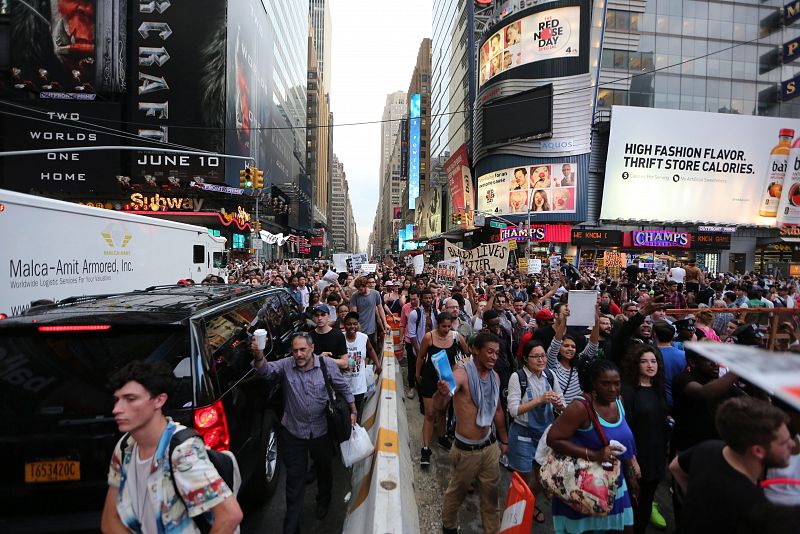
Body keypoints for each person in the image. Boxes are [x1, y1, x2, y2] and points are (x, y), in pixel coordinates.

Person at [101, 361, 243, 533]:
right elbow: (110, 521)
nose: (117, 409)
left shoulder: (182, 451)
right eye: (117, 400)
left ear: (159, 400)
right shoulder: (125, 448)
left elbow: (229, 515)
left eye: (130, 399)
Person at [251, 333, 356, 532]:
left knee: (324, 472)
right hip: (294, 433)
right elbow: (265, 370)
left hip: (322, 432)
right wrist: (259, 356)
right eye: (295, 350)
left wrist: (353, 410)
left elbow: (343, 387)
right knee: (294, 481)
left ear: (312, 348)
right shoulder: (286, 365)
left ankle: (323, 500)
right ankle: (291, 526)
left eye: (302, 350)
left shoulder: (326, 365)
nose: (298, 354)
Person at [669, 397, 793, 534]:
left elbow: (675, 467)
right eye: (784, 443)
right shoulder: (755, 505)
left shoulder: (708, 448)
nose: (792, 445)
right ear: (758, 451)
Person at [547, 359, 639, 534]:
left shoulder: (619, 401)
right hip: (585, 488)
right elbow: (553, 439)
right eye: (605, 383)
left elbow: (624, 438)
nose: (612, 389)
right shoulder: (580, 407)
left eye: (617, 383)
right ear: (593, 384)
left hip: (614, 483)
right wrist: (594, 454)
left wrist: (632, 467)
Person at [435, 332, 510, 534]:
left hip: (490, 448)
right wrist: (442, 392)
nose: (494, 357)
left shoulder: (495, 377)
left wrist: (504, 440)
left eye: (497, 353)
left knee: (491, 497)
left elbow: (498, 410)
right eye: (489, 352)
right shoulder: (461, 375)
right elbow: (440, 405)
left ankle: (492, 530)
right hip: (466, 451)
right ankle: (449, 527)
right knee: (456, 494)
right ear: (475, 350)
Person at [507, 340, 565, 524]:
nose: (541, 360)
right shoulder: (518, 377)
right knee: (522, 475)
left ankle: (528, 503)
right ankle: (514, 512)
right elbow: (513, 410)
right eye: (536, 356)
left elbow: (562, 402)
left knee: (542, 474)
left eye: (543, 356)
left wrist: (559, 404)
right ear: (525, 358)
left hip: (544, 434)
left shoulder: (550, 375)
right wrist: (539, 400)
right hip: (523, 434)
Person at [621, 345, 670, 534]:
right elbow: (626, 428)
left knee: (647, 501)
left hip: (656, 454)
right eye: (644, 361)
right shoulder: (628, 390)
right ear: (636, 364)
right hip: (636, 455)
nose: (650, 365)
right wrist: (632, 460)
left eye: (653, 361)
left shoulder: (658, 388)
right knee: (633, 503)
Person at [416, 312, 471, 467]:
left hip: (447, 380)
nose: (446, 329)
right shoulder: (429, 337)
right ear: (437, 325)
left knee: (443, 411)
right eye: (443, 326)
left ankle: (442, 437)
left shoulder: (456, 337)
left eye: (448, 326)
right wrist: (417, 374)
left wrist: (459, 368)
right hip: (430, 378)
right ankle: (425, 448)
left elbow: (468, 354)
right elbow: (420, 357)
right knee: (430, 413)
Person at [546, 305, 599, 405]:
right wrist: (564, 322)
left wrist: (596, 321)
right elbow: (555, 344)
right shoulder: (553, 364)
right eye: (566, 346)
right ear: (559, 348)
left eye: (573, 347)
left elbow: (592, 346)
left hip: (580, 409)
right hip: (561, 411)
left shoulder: (578, 363)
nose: (570, 349)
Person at [343, 312, 382, 420]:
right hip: (344, 384)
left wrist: (378, 365)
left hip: (359, 385)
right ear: (344, 325)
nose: (352, 326)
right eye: (349, 324)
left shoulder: (363, 337)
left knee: (358, 412)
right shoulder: (340, 338)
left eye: (355, 324)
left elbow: (370, 349)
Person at [652, 320, 686, 408]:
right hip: (679, 400)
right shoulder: (683, 355)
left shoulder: (650, 355)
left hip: (657, 400)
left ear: (655, 334)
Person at [350, 275, 389, 352]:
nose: (359, 291)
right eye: (358, 289)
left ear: (366, 286)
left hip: (372, 329)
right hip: (360, 329)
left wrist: (385, 323)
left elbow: (380, 309)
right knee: (362, 350)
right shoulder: (355, 296)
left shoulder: (375, 294)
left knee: (373, 349)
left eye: (361, 289)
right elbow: (354, 314)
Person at [309, 304, 348, 369]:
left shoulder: (338, 335)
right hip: (315, 373)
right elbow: (305, 362)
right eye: (316, 315)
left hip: (334, 373)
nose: (320, 318)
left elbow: (345, 363)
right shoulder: (309, 337)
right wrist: (319, 358)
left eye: (323, 315)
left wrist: (328, 360)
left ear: (328, 317)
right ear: (313, 318)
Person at [401, 288, 421, 398]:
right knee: (411, 364)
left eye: (415, 299)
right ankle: (411, 386)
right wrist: (401, 338)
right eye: (411, 299)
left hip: (422, 340)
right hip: (409, 340)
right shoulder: (405, 307)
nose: (412, 301)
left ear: (419, 297)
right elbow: (402, 324)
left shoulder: (424, 308)